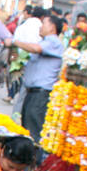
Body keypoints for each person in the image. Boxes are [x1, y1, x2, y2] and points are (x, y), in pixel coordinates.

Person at [12, 11, 65, 144]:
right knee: (26, 129)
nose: (40, 27)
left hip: (40, 94)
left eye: (43, 24)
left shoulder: (53, 41)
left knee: (33, 131)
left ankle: (34, 161)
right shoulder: (45, 42)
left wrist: (15, 42)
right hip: (32, 93)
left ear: (52, 28)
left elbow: (36, 49)